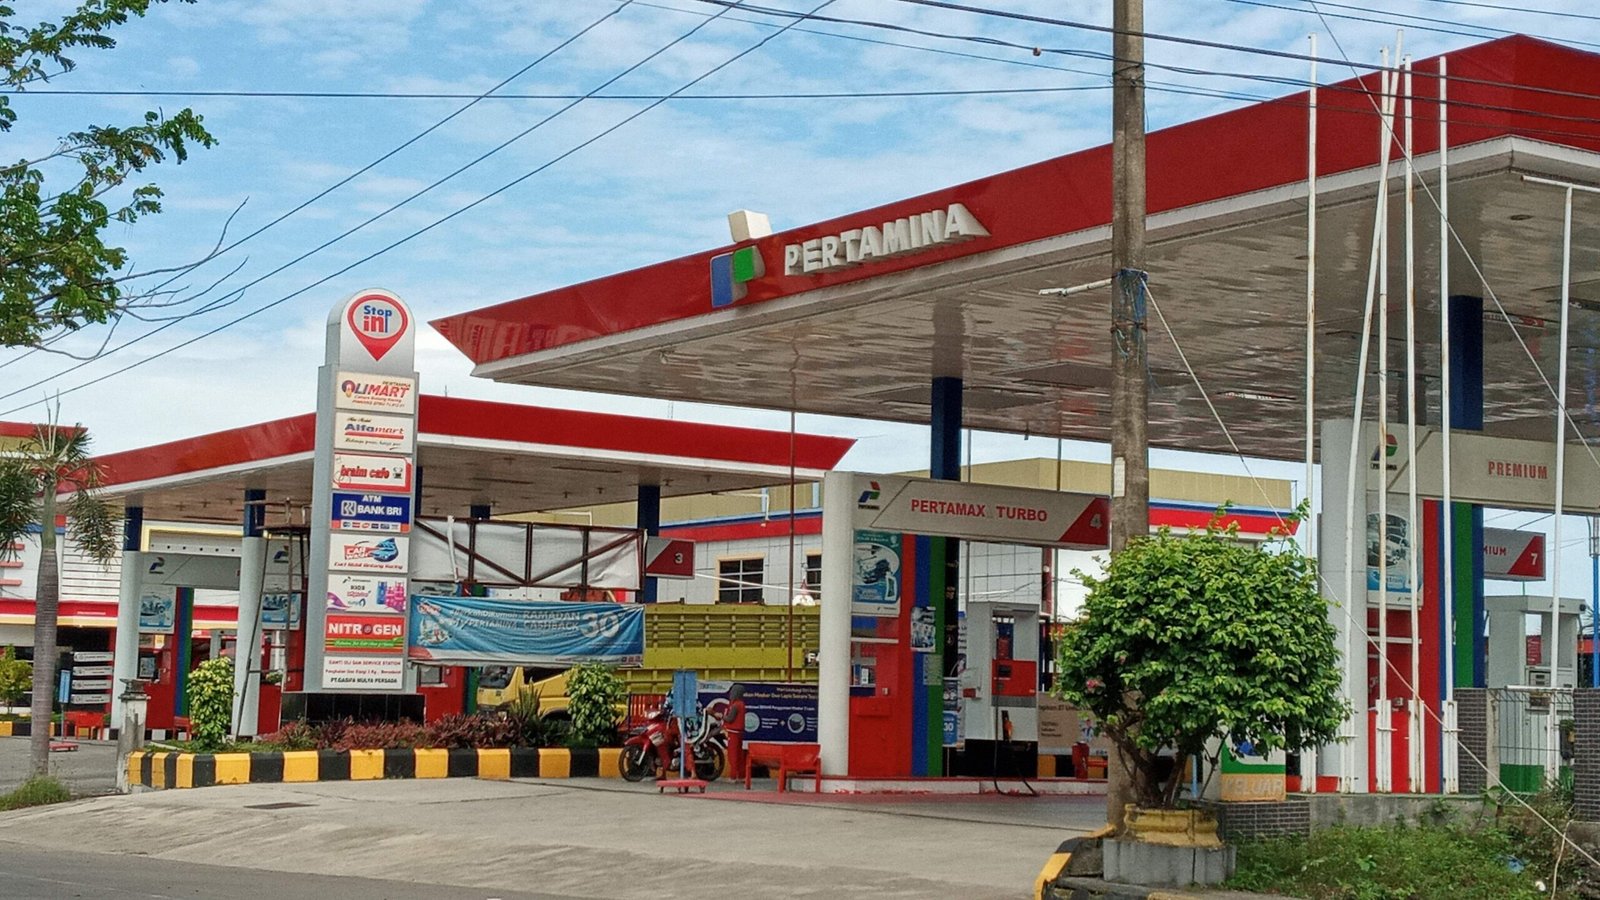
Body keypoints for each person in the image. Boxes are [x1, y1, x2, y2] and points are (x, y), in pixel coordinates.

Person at [723, 685, 748, 780]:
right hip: (739, 732)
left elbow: (730, 719)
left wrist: (721, 716)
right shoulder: (742, 704)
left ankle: (733, 776)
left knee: (732, 755)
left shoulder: (735, 705)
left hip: (733, 732)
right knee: (739, 755)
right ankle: (741, 775)